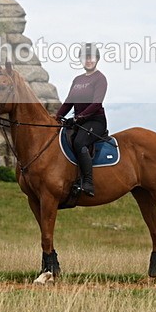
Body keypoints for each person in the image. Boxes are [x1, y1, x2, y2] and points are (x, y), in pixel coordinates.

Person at [54, 44, 109, 197]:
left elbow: (96, 103)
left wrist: (79, 117)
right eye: (85, 57)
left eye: (91, 57)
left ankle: (88, 183)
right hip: (79, 122)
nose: (88, 60)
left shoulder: (100, 79)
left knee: (79, 142)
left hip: (95, 121)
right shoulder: (77, 80)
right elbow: (68, 102)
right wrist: (57, 117)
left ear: (97, 59)